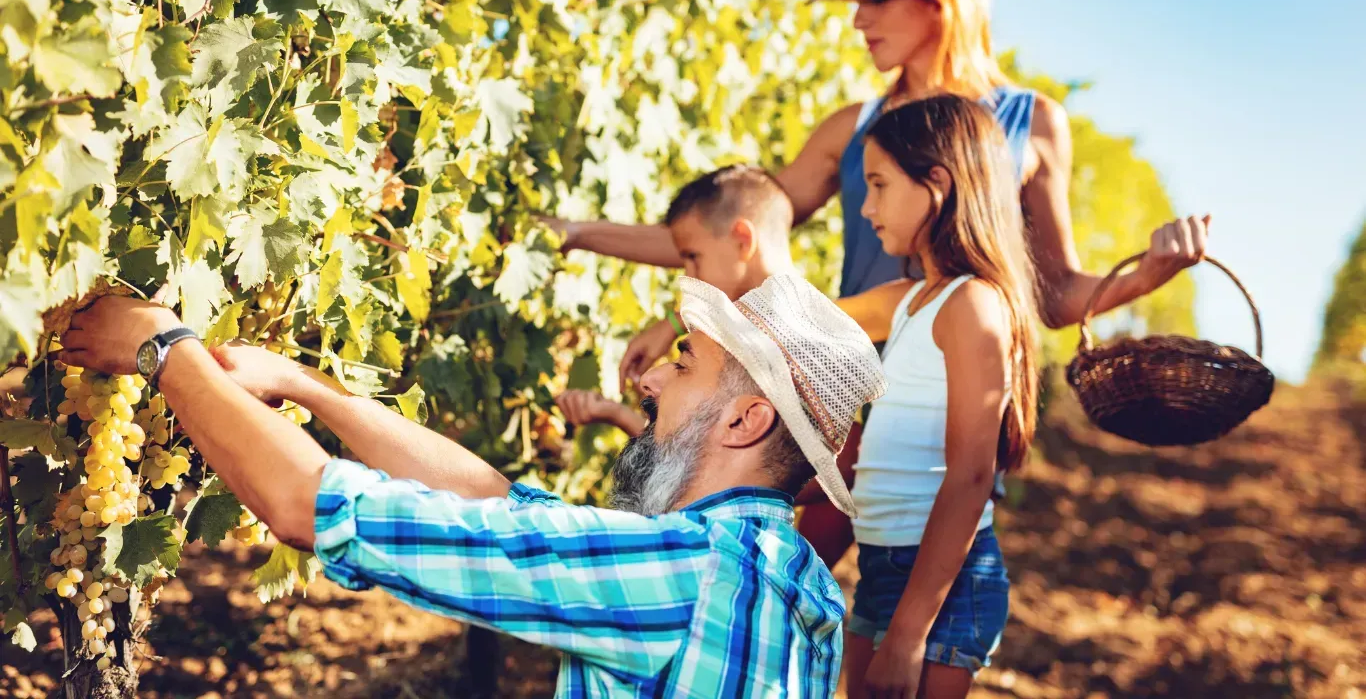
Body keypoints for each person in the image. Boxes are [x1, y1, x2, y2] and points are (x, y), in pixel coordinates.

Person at [545, 0, 1211, 571]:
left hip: (954, 403)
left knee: (922, 603)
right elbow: (725, 231)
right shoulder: (852, 132)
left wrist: (1146, 275)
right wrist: (582, 238)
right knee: (790, 570)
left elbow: (1056, 294)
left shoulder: (1030, 125)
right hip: (848, 398)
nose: (859, 20)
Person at [57, 273, 887, 698]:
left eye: (684, 365)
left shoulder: (685, 575)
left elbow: (307, 505)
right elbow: (505, 508)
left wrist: (165, 350)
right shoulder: (789, 575)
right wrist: (307, 386)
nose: (649, 384)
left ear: (743, 422)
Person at [833, 94, 1043, 698]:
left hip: (936, 587)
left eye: (878, 185)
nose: (867, 208)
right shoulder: (910, 300)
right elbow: (799, 318)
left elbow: (971, 476)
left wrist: (906, 635)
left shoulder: (972, 306)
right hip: (882, 566)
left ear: (938, 184)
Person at [556, 164, 798, 436]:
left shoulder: (783, 348)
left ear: (743, 240)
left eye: (693, 257)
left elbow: (702, 462)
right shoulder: (749, 329)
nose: (687, 275)